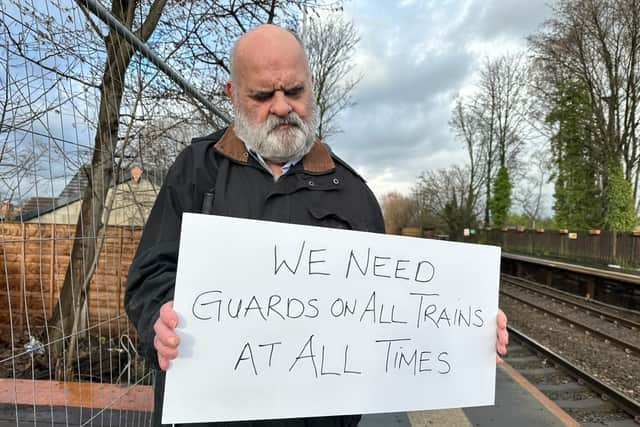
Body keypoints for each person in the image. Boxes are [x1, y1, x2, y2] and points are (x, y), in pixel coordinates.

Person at [125, 24, 509, 427]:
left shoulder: (352, 194)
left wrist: (468, 329)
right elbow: (149, 275)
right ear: (233, 95)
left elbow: (394, 312)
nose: (281, 107)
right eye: (261, 95)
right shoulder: (197, 172)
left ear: (311, 86)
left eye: (294, 91)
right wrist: (158, 318)